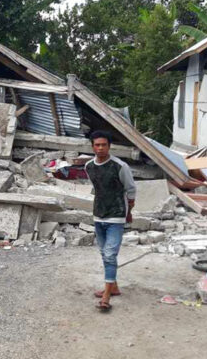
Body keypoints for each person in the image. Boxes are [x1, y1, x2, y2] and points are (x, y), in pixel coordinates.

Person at [84, 130, 136, 312]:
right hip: (98, 215)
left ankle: (106, 295)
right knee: (103, 253)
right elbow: (96, 189)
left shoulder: (120, 166)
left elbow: (131, 191)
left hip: (116, 216)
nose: (100, 148)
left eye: (103, 145)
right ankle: (113, 286)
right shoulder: (89, 167)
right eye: (97, 145)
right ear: (92, 146)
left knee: (110, 254)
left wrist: (129, 212)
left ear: (109, 146)